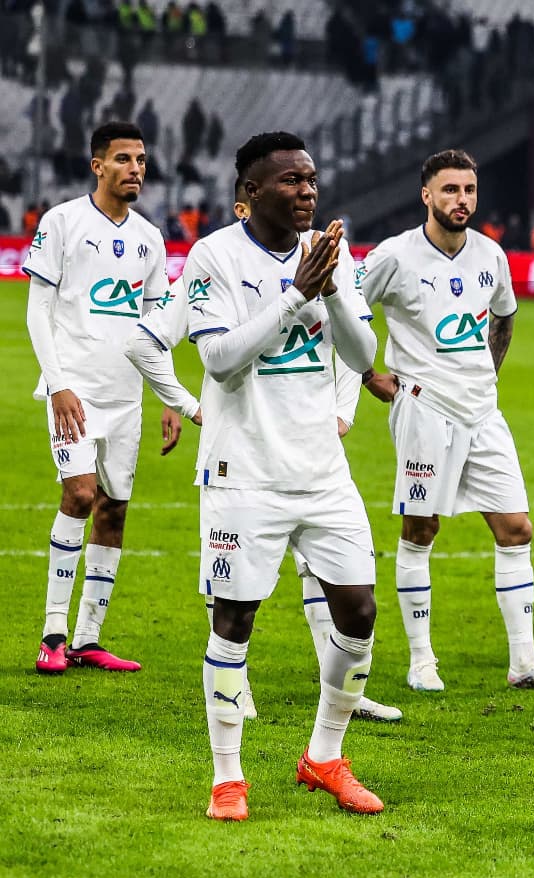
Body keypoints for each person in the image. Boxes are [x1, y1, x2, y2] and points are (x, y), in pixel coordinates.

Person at [184, 131, 385, 820]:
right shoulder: (213, 256)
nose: (307, 191)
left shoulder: (329, 255)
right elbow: (220, 360)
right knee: (235, 621)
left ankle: (324, 757)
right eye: (291, 181)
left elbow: (362, 355)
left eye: (311, 178)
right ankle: (227, 777)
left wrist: (328, 290)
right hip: (245, 473)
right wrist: (296, 295)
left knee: (357, 612)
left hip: (322, 472)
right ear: (250, 193)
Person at [358, 149, 534, 693]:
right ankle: (420, 660)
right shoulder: (394, 256)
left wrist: (490, 375)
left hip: (482, 410)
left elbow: (504, 316)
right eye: (450, 190)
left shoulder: (491, 255)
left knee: (517, 528)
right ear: (426, 195)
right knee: (420, 530)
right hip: (425, 408)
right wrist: (367, 374)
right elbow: (348, 312)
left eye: (470, 190)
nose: (462, 200)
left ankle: (524, 662)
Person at [22, 121, 199, 675]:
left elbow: (156, 327)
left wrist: (167, 397)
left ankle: (88, 639)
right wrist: (57, 384)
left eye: (142, 160)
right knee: (78, 495)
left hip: (126, 399)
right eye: (124, 159)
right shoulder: (63, 222)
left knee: (114, 510)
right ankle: (52, 634)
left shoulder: (150, 237)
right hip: (74, 391)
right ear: (98, 165)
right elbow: (37, 311)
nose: (136, 169)